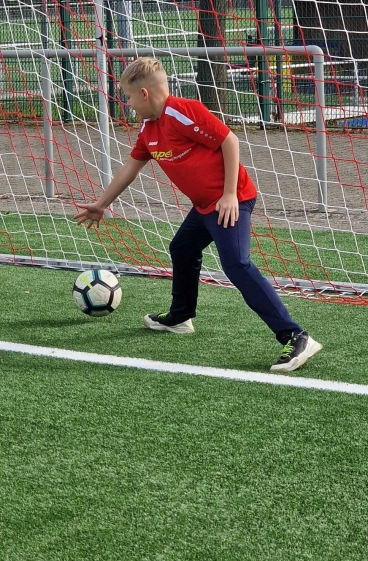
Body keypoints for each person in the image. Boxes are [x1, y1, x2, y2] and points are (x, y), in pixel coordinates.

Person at [74, 57, 322, 372]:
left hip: (231, 201)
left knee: (237, 264)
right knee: (182, 248)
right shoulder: (149, 128)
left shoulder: (183, 111)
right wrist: (102, 203)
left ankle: (295, 335)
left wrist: (230, 195)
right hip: (205, 206)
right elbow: (130, 169)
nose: (129, 104)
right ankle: (180, 316)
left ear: (145, 94)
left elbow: (229, 141)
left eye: (129, 97)